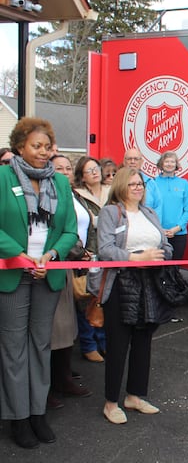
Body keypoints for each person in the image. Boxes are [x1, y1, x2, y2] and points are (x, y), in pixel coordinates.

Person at [0, 118, 78, 448]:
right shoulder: (3, 177)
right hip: (14, 273)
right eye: (36, 146)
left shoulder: (59, 184)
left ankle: (37, 413)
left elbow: (70, 230)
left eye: (47, 146)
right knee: (14, 349)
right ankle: (17, 418)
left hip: (48, 274)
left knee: (39, 346)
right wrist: (19, 254)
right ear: (20, 146)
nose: (43, 152)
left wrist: (52, 256)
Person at [95, 167, 173, 425]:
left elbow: (166, 244)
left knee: (144, 341)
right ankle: (110, 402)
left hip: (149, 284)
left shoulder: (149, 212)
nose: (138, 188)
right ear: (120, 187)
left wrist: (161, 255)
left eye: (140, 184)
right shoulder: (111, 213)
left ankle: (135, 395)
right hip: (121, 283)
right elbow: (105, 250)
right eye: (132, 184)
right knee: (118, 345)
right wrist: (136, 258)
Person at [47, 155, 91, 409]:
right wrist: (79, 252)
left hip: (74, 266)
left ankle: (63, 378)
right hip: (56, 265)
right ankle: (52, 384)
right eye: (58, 168)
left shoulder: (75, 195)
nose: (64, 172)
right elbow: (61, 231)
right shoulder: (48, 197)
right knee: (55, 329)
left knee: (68, 326)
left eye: (67, 168)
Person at [73, 156, 110, 363]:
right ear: (82, 176)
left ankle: (103, 342)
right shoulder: (78, 195)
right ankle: (88, 344)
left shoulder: (110, 190)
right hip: (88, 251)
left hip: (108, 251)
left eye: (96, 168)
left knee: (103, 298)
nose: (95, 172)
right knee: (86, 297)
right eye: (89, 170)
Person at [153, 151, 188, 260]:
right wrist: (160, 229)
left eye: (172, 161)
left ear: (176, 165)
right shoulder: (153, 183)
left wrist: (177, 228)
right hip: (157, 233)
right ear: (161, 164)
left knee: (174, 269)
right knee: (157, 270)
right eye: (167, 161)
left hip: (179, 234)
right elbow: (149, 209)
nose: (169, 164)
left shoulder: (184, 183)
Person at [123, 147, 162, 220]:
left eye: (136, 159)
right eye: (129, 159)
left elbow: (158, 206)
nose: (132, 161)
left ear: (141, 162)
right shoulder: (118, 181)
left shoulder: (150, 183)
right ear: (124, 162)